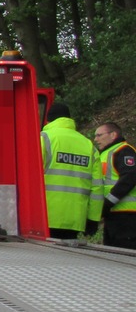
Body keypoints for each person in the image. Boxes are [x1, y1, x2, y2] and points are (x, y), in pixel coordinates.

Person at [40, 102, 102, 238]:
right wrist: (93, 219)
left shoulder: (43, 139)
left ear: (49, 120)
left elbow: (28, 177)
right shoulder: (87, 144)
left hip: (45, 217)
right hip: (75, 219)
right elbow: (97, 188)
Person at [93, 122, 136, 249]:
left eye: (99, 135)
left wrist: (108, 202)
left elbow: (130, 177)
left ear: (113, 135)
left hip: (127, 216)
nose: (96, 139)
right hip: (114, 214)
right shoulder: (107, 153)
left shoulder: (124, 151)